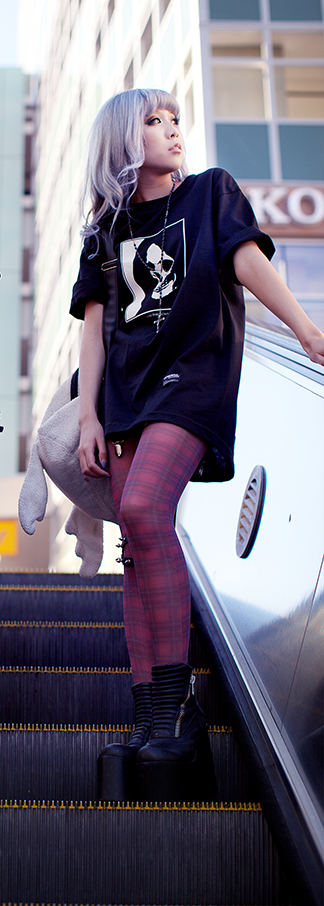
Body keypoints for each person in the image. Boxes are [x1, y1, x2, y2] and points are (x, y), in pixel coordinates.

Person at [71, 88, 324, 802]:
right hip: (127, 394)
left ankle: (177, 705)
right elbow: (94, 327)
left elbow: (246, 263)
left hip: (193, 378)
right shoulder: (105, 230)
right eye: (153, 121)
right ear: (123, 140)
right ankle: (153, 718)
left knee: (145, 508)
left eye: (174, 119)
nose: (171, 130)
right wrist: (88, 416)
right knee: (134, 544)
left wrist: (307, 330)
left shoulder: (211, 192)